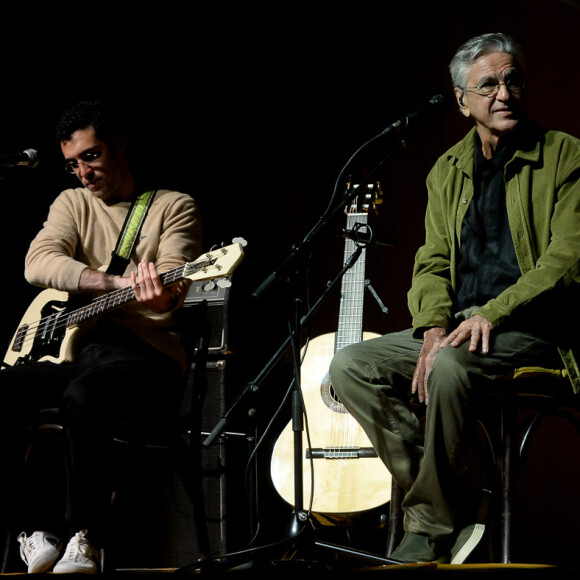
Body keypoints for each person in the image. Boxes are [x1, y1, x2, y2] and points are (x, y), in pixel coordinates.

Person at [329, 32, 580, 564]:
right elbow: (432, 262)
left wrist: (492, 312)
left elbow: (566, 261)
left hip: (535, 329)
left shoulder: (564, 155)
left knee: (447, 369)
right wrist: (432, 328)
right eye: (488, 84)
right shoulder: (447, 169)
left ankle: (428, 525)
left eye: (513, 80)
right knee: (349, 364)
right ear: (462, 101)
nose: (504, 93)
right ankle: (460, 491)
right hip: (460, 328)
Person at [0, 100, 202, 573]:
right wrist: (114, 283)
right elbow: (39, 262)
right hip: (79, 348)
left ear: (119, 147)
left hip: (147, 354)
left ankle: (86, 536)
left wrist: (158, 296)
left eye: (91, 157)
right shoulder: (71, 203)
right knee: (4, 391)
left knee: (85, 395)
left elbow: (172, 288)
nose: (83, 172)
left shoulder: (174, 206)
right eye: (72, 163)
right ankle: (32, 530)